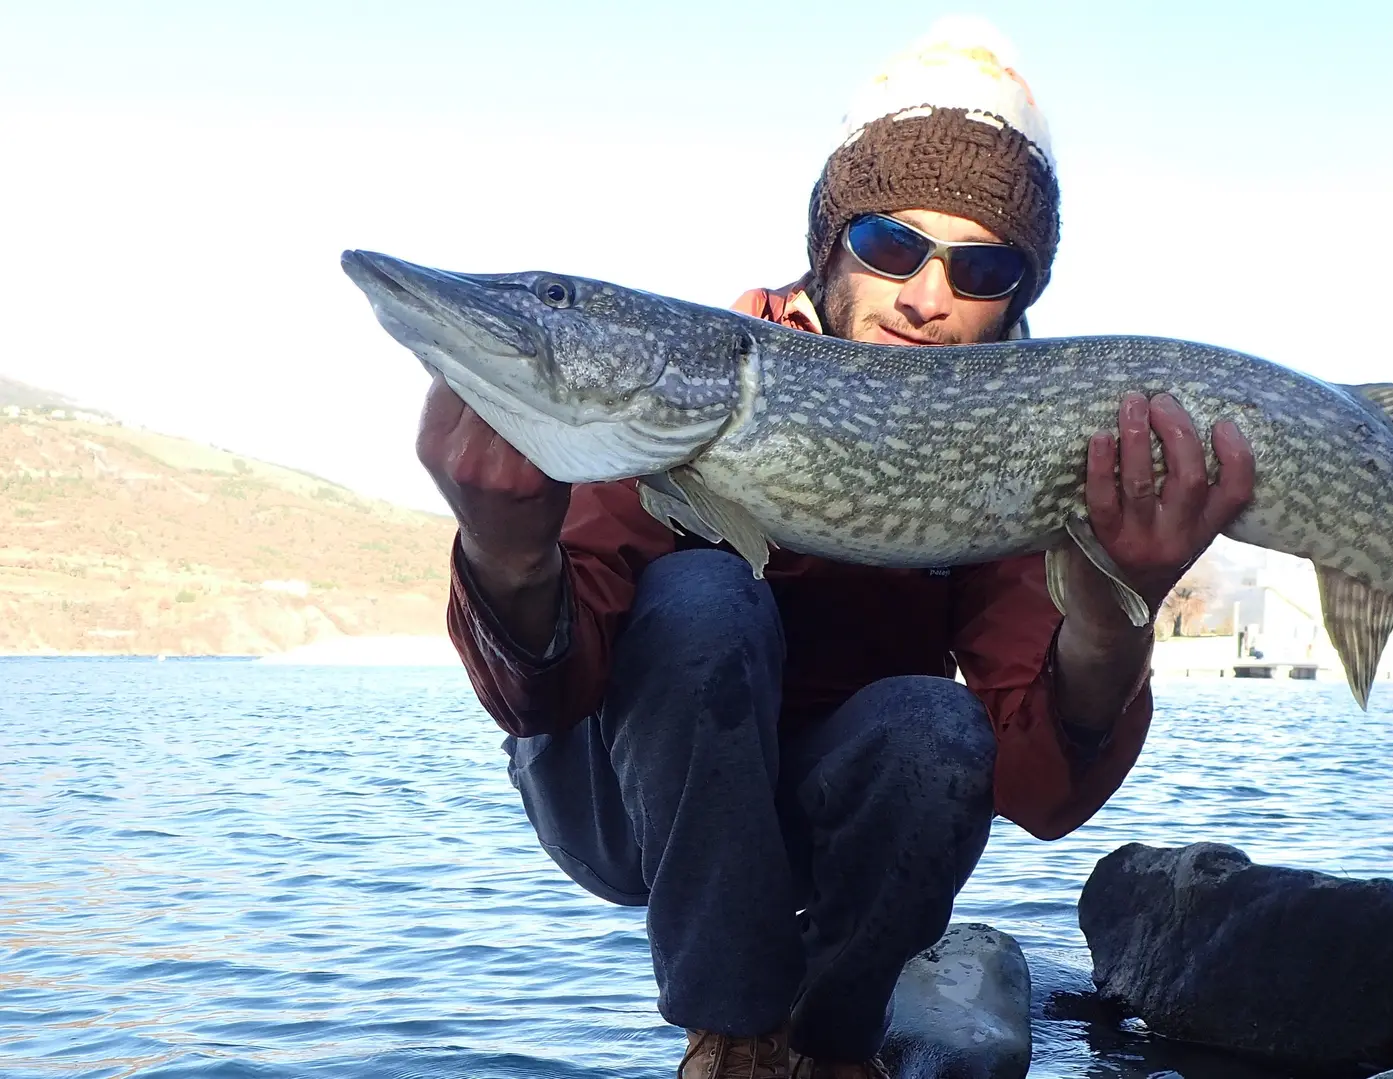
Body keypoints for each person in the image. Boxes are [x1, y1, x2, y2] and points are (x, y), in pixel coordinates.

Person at [415, 21, 1255, 1079]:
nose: (925, 295)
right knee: (706, 598)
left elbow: (1041, 788)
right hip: (626, 807)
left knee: (934, 724)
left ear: (1018, 298)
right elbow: (545, 696)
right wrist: (508, 556)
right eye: (892, 245)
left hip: (834, 803)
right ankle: (732, 1037)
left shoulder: (1021, 450)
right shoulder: (691, 378)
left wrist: (1111, 615)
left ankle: (833, 1044)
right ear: (831, 243)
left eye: (982, 265)